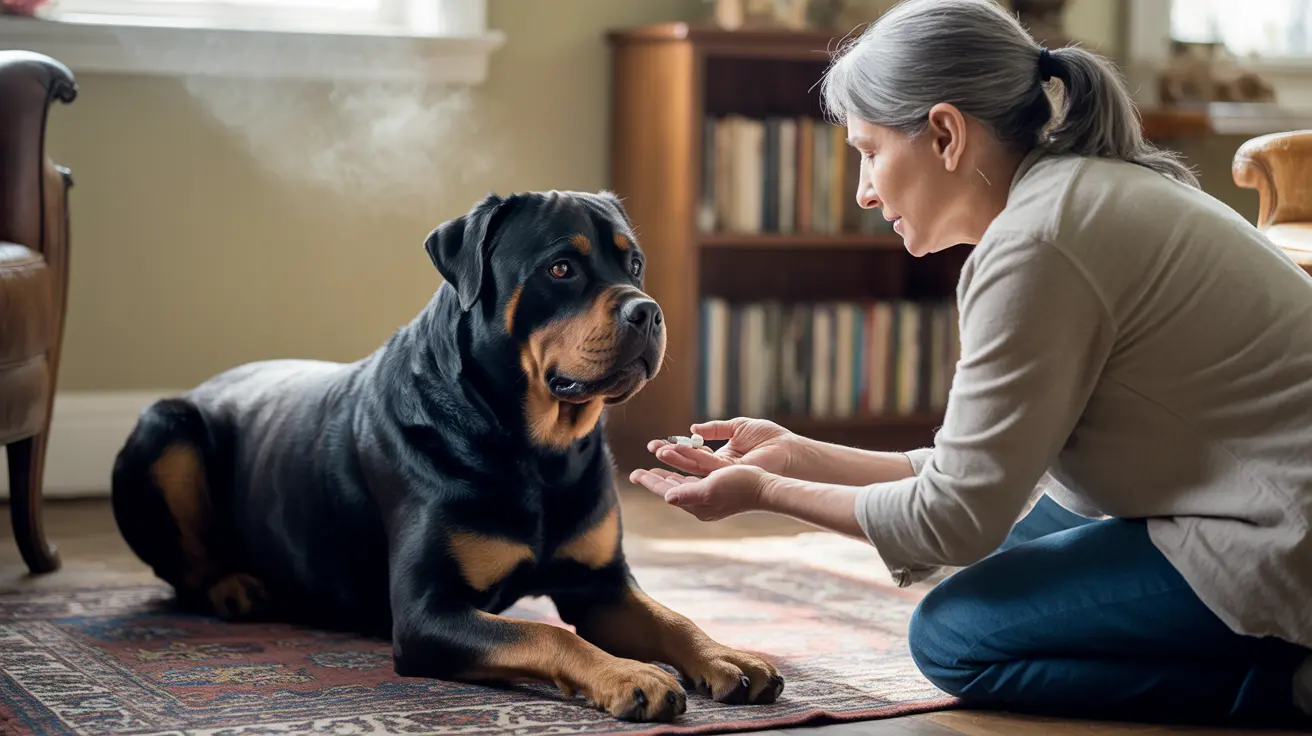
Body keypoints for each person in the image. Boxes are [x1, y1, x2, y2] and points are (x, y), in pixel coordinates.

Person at [627, 0, 1312, 728]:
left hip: (1281, 532)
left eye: (869, 151)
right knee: (991, 579)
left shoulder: (1037, 246)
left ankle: (1287, 688)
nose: (864, 190)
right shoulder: (1076, 195)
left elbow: (952, 520)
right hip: (1242, 499)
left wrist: (765, 490)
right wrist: (798, 457)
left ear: (946, 134)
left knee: (956, 637)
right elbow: (977, 471)